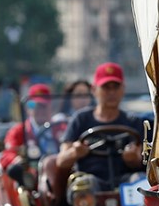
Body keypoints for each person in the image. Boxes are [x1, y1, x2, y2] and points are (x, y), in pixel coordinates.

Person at [57, 62, 145, 191]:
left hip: (125, 182)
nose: (111, 92)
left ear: (123, 89)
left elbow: (143, 160)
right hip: (90, 181)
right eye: (106, 87)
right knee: (83, 185)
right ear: (94, 90)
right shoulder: (81, 119)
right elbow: (61, 160)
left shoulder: (133, 122)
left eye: (115, 87)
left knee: (142, 182)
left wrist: (133, 159)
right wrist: (74, 153)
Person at [0, 83, 60, 173]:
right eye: (36, 106)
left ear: (50, 107)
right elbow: (7, 154)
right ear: (28, 108)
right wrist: (17, 160)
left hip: (59, 173)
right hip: (31, 177)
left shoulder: (60, 128)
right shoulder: (18, 131)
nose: (40, 110)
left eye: (43, 106)